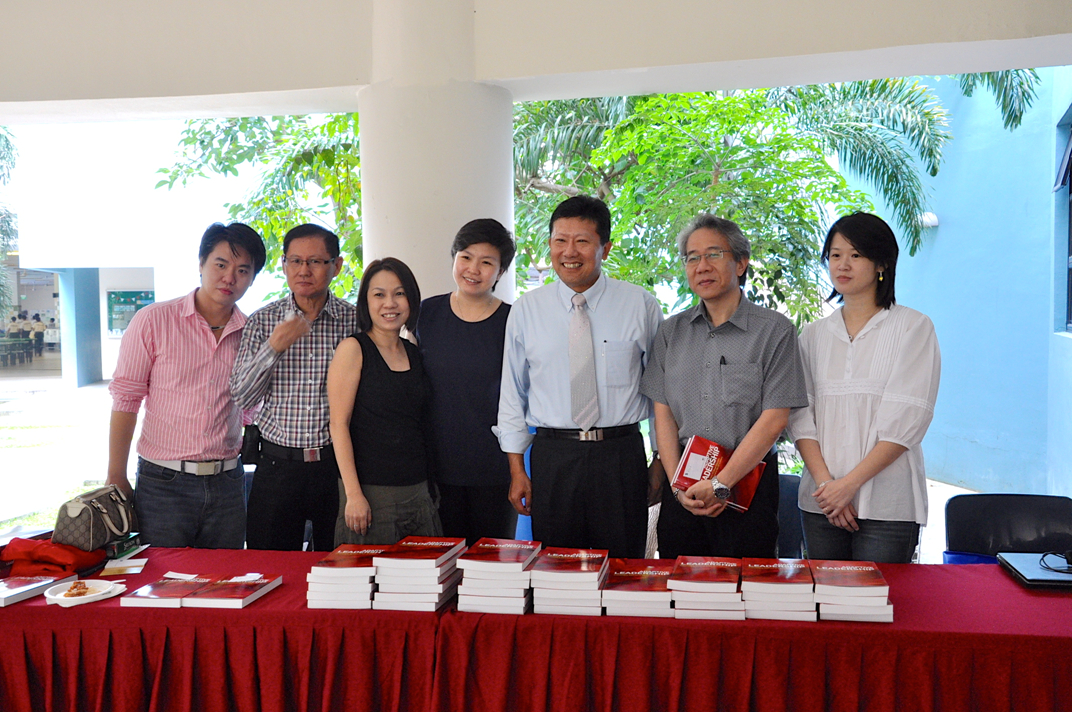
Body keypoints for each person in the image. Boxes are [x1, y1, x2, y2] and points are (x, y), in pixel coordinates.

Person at [497, 195, 664, 558]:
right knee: (557, 569)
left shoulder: (640, 305)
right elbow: (512, 394)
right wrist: (517, 469)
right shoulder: (527, 310)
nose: (569, 252)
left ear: (606, 247)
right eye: (560, 240)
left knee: (623, 568)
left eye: (582, 241)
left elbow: (661, 394)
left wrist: (660, 461)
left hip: (620, 456)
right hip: (553, 457)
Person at [640, 215, 808, 559]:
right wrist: (678, 488)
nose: (702, 266)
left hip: (748, 485)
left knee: (746, 583)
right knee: (680, 583)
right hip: (684, 485)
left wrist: (721, 483)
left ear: (741, 263)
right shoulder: (671, 333)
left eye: (714, 254)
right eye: (692, 258)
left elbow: (775, 419)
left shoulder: (775, 331)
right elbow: (663, 416)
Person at [788, 212, 941, 563]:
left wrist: (848, 486)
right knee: (823, 595)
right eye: (835, 255)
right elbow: (799, 416)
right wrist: (828, 487)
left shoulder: (913, 327)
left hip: (887, 505)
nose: (842, 264)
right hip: (821, 503)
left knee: (881, 596)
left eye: (855, 255)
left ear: (882, 263)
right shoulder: (812, 335)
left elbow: (907, 419)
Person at [106, 222, 266, 548]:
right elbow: (126, 399)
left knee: (224, 575)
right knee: (160, 574)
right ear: (201, 264)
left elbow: (249, 408)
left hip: (227, 484)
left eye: (242, 270)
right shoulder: (153, 321)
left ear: (252, 278)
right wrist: (116, 475)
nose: (229, 277)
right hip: (163, 483)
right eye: (220, 264)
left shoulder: (252, 333)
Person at [232, 223, 359, 551]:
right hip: (277, 466)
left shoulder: (355, 322)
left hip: (336, 467)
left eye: (315, 261)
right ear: (284, 264)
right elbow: (242, 397)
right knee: (270, 565)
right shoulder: (263, 321)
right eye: (296, 261)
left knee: (339, 563)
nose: (304, 270)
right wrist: (274, 346)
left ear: (336, 266)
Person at [416, 219, 516, 545]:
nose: (473, 269)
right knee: (443, 563)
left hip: (495, 468)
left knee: (491, 564)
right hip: (435, 468)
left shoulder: (513, 321)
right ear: (454, 257)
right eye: (466, 257)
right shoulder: (425, 314)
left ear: (500, 271)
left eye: (486, 262)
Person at [328, 257, 441, 545]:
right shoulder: (353, 348)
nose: (390, 303)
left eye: (399, 293)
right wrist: (353, 495)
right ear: (365, 302)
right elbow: (338, 425)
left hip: (418, 492)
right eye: (379, 295)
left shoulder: (413, 351)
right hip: (371, 496)